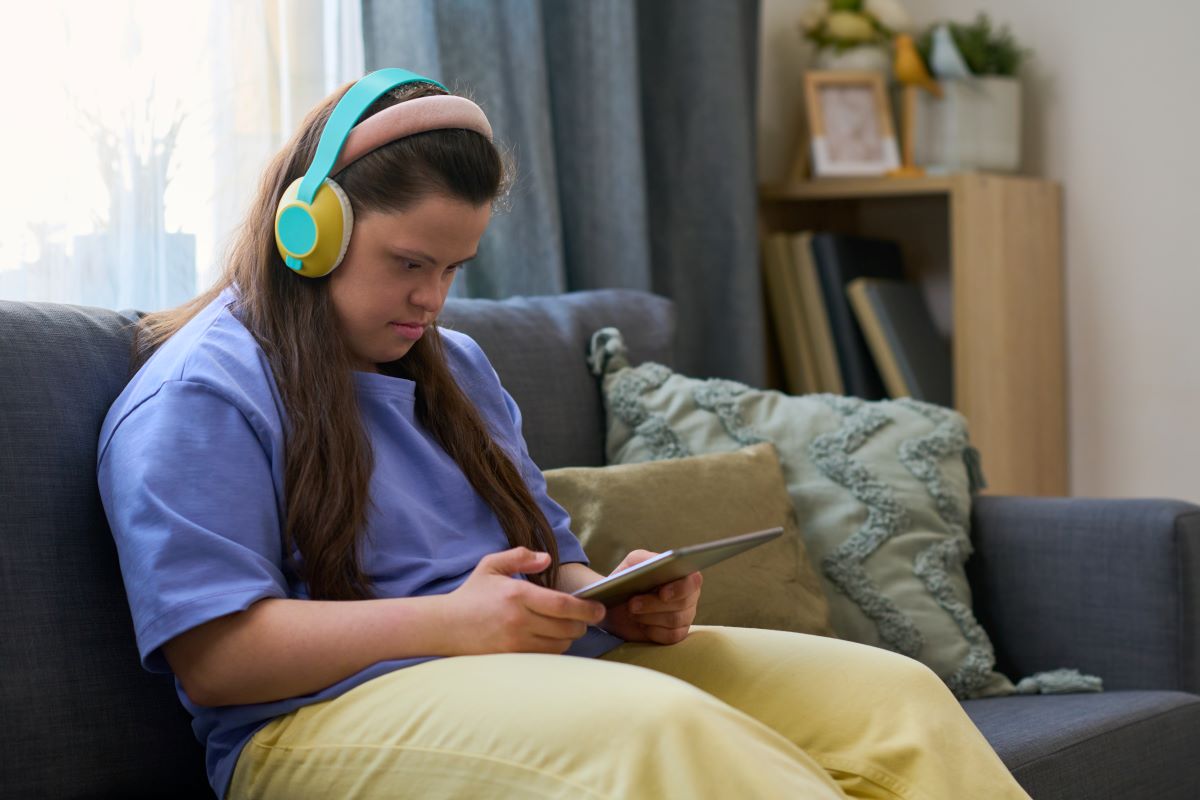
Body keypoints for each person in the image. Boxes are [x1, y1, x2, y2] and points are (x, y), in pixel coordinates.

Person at [97, 68, 1032, 800]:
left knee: (891, 697)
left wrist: (609, 599)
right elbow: (218, 661)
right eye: (408, 263)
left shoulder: (454, 367)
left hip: (538, 671)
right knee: (667, 736)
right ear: (310, 232)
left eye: (454, 267)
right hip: (313, 725)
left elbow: (549, 559)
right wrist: (454, 624)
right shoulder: (198, 395)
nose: (431, 297)